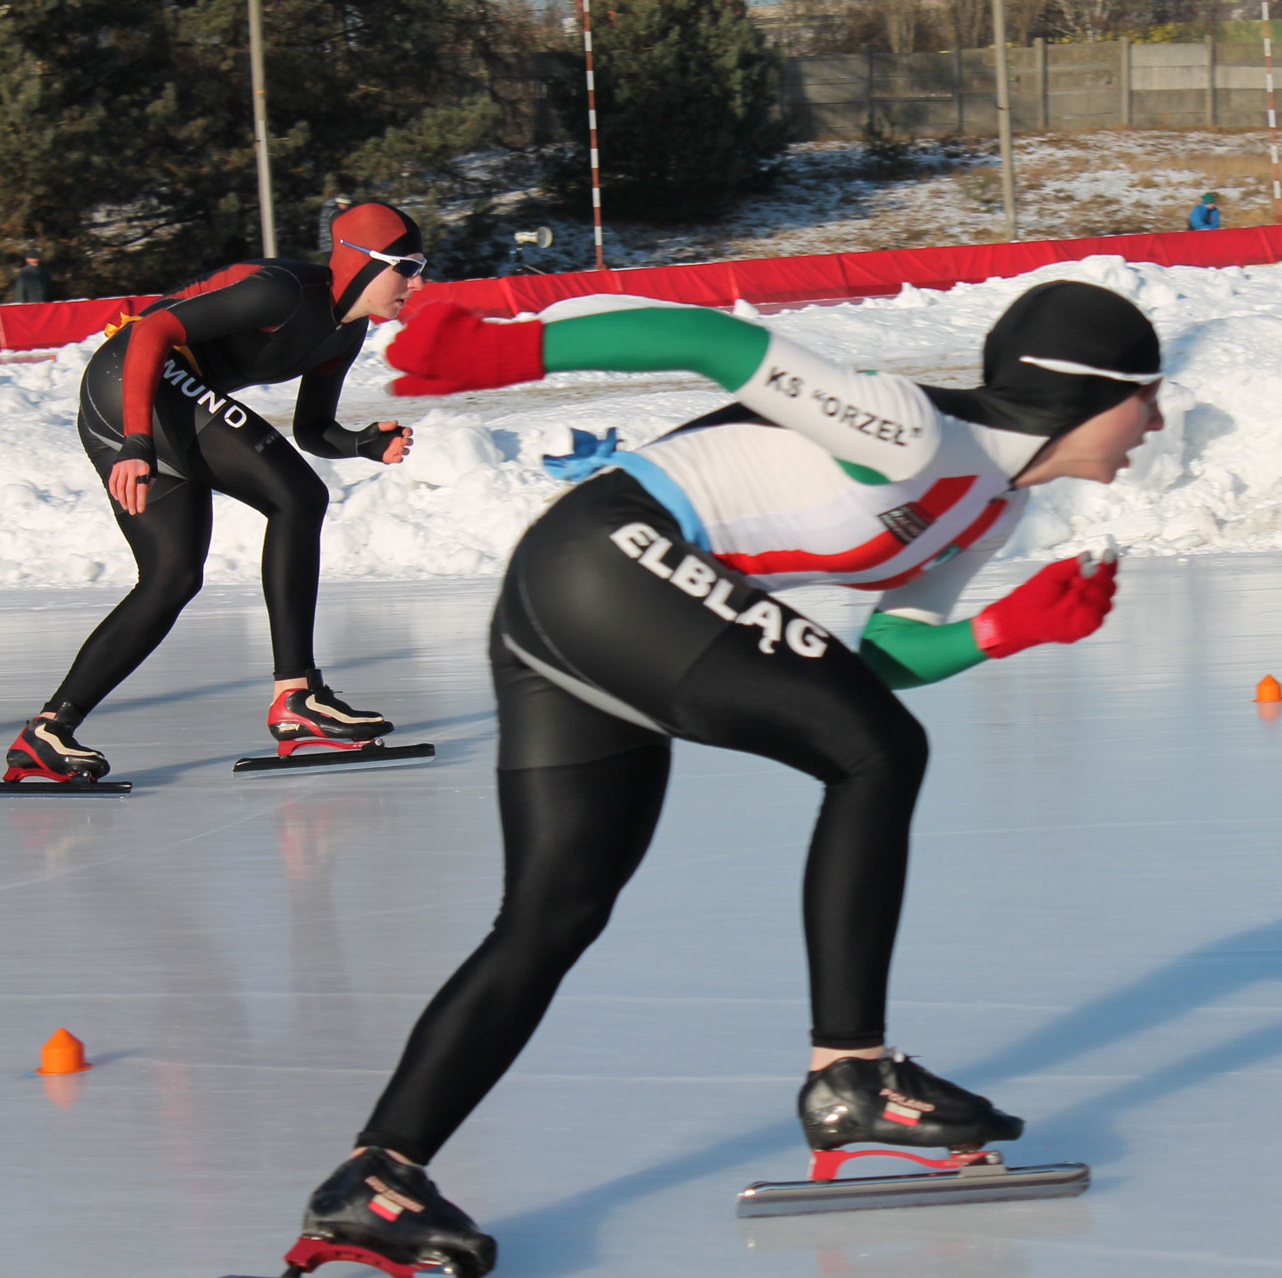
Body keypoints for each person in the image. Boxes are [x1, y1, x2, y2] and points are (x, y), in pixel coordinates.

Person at [288, 281, 1165, 1277]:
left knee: (555, 913)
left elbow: (841, 661)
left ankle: (376, 1172)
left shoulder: (988, 514)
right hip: (609, 558)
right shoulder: (914, 433)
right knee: (883, 752)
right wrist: (505, 353)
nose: (1159, 421)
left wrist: (998, 632)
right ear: (1090, 391)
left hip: (597, 606)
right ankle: (852, 1074)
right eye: (1150, 396)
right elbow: (704, 337)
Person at [0, 202, 427, 785]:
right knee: (298, 498)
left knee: (173, 578)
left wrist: (360, 444)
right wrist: (135, 441)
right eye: (406, 265)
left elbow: (311, 431)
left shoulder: (343, 335)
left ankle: (47, 732)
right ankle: (296, 695)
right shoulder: (286, 292)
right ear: (362, 264)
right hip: (134, 381)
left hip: (151, 405)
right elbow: (152, 328)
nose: (417, 280)